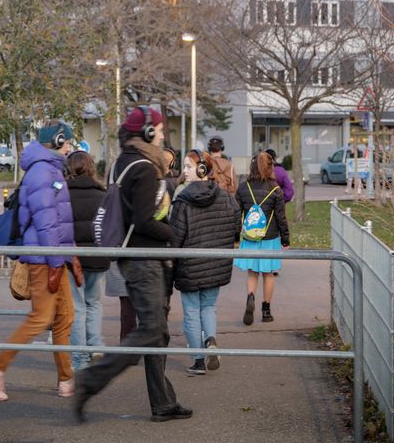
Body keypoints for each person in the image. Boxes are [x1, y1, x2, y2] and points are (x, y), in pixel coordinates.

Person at [75, 106, 191, 424]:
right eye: (161, 129)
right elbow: (144, 220)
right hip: (144, 259)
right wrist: (175, 233)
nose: (165, 134)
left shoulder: (123, 161)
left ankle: (163, 403)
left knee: (159, 332)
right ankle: (91, 380)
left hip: (137, 258)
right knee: (152, 329)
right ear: (149, 133)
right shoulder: (143, 168)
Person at [0, 121, 80, 401]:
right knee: (41, 318)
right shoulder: (42, 171)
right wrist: (55, 262)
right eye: (69, 141)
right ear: (59, 141)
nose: (71, 146)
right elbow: (47, 222)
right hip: (45, 259)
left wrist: (70, 254)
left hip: (54, 258)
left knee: (65, 317)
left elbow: (59, 221)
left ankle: (66, 378)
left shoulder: (50, 169)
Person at [170, 149, 240, 375]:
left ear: (202, 170)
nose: (184, 171)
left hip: (190, 264)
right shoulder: (227, 198)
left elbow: (176, 236)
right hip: (216, 262)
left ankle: (199, 360)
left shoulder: (183, 200)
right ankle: (210, 340)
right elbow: (235, 228)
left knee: (191, 311)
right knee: (208, 306)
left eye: (189, 167)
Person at [234, 151, 290, 325]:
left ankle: (251, 297)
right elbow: (281, 217)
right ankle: (266, 311)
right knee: (268, 274)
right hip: (270, 237)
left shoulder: (243, 187)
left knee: (252, 273)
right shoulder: (275, 189)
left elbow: (237, 214)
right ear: (270, 167)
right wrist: (285, 239)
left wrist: (237, 235)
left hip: (250, 237)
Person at [64, 150, 108, 370]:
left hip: (74, 260)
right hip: (99, 257)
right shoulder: (103, 194)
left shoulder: (63, 194)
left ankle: (79, 359)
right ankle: (96, 344)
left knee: (78, 308)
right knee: (94, 303)